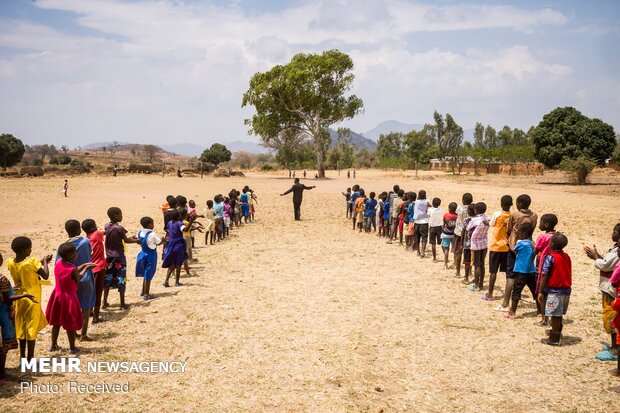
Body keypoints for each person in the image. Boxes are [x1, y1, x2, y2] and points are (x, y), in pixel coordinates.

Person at [7, 237, 52, 361]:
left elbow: (25, 268)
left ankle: (22, 356)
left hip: (19, 298)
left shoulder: (10, 262)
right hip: (33, 299)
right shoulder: (32, 262)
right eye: (30, 249)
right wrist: (44, 262)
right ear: (25, 250)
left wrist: (40, 262)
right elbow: (45, 275)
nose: (31, 251)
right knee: (31, 328)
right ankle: (30, 358)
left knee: (21, 326)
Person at [46, 243, 95, 354]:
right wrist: (86, 268)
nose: (76, 254)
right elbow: (78, 277)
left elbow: (73, 271)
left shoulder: (59, 263)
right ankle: (72, 348)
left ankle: (53, 345)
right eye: (75, 252)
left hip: (57, 296)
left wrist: (84, 265)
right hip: (69, 298)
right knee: (70, 324)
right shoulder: (72, 269)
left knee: (56, 323)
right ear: (70, 255)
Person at [496, 194, 538, 312]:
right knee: (527, 272)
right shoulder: (534, 215)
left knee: (511, 275)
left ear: (519, 204)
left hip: (514, 246)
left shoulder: (514, 214)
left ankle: (505, 303)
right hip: (528, 244)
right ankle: (538, 306)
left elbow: (509, 229)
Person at [585, 223, 620, 361]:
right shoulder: (616, 249)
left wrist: (595, 257)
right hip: (610, 290)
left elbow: (605, 265)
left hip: (611, 291)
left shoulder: (617, 252)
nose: (612, 234)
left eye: (615, 231)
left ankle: (615, 350)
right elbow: (607, 262)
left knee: (611, 319)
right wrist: (597, 256)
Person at [0, 252, 36, 385]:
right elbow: (6, 299)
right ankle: (2, 373)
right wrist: (24, 295)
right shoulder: (2, 279)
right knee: (3, 345)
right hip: (3, 315)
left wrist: (11, 289)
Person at [60, 219, 96, 341]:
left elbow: (59, 263)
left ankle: (74, 332)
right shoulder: (85, 241)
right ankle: (84, 334)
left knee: (74, 307)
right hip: (85, 276)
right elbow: (90, 254)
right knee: (85, 308)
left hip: (70, 279)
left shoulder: (63, 246)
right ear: (78, 230)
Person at [103, 207, 139, 310]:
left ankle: (104, 302)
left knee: (108, 278)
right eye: (120, 214)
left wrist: (130, 238)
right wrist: (137, 241)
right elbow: (126, 241)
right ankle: (122, 304)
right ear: (116, 216)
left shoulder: (107, 226)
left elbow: (120, 238)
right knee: (121, 279)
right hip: (119, 258)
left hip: (109, 257)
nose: (122, 216)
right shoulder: (120, 228)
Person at [539, 233, 572, 346]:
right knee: (558, 314)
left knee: (555, 315)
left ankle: (554, 338)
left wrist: (540, 290)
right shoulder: (566, 256)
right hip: (566, 290)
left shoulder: (550, 257)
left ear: (552, 244)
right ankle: (556, 331)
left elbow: (544, 275)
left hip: (555, 291)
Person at [504, 222, 537, 319]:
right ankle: (540, 311)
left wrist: (512, 238)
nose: (518, 234)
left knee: (516, 292)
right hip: (531, 271)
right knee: (535, 291)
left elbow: (514, 250)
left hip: (520, 272)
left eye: (519, 232)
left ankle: (512, 312)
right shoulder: (533, 244)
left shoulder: (520, 244)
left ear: (524, 233)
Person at [483, 195, 512, 301]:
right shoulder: (512, 215)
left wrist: (485, 222)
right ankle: (508, 294)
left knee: (493, 271)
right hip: (507, 246)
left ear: (501, 204)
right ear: (511, 204)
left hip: (496, 246)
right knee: (507, 273)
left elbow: (491, 223)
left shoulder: (497, 214)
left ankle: (490, 294)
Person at [533, 214, 558, 326]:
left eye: (541, 223)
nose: (539, 225)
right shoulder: (557, 236)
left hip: (542, 265)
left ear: (546, 225)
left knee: (541, 291)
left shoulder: (543, 237)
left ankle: (544, 318)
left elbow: (536, 249)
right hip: (554, 266)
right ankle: (550, 316)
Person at [82, 219, 107, 324]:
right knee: (98, 293)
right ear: (92, 228)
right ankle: (96, 317)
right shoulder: (96, 235)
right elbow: (107, 231)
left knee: (91, 292)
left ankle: (91, 311)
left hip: (90, 269)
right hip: (99, 267)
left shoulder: (86, 240)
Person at [136, 216, 161, 300]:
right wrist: (164, 240)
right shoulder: (152, 234)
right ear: (150, 224)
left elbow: (138, 242)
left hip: (142, 253)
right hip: (151, 255)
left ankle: (143, 290)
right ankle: (146, 294)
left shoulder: (139, 232)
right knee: (149, 273)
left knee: (145, 273)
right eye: (153, 223)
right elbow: (159, 242)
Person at [467, 202, 489, 292]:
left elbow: (468, 228)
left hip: (476, 244)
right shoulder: (487, 218)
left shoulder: (475, 220)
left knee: (477, 265)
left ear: (476, 210)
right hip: (484, 243)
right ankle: (481, 284)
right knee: (482, 264)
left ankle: (476, 285)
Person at [162, 209, 187, 287]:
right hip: (179, 245)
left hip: (171, 244)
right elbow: (184, 229)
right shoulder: (179, 223)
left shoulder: (169, 223)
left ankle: (166, 281)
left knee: (172, 264)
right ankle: (177, 282)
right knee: (178, 264)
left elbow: (168, 230)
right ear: (179, 216)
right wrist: (192, 221)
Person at [454, 193, 474, 278]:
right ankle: (469, 272)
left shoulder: (459, 208)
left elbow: (456, 211)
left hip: (459, 233)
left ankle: (458, 272)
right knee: (469, 253)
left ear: (462, 200)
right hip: (469, 234)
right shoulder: (472, 209)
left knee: (458, 253)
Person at [441, 202, 458, 269]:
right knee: (454, 250)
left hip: (446, 234)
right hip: (454, 234)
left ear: (449, 208)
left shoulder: (446, 215)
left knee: (446, 249)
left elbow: (444, 223)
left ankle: (445, 264)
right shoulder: (457, 216)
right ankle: (455, 263)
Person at [413, 190, 430, 256]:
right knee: (424, 237)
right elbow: (429, 205)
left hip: (417, 221)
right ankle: (423, 251)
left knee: (417, 237)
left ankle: (418, 251)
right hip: (424, 221)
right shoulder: (427, 201)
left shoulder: (416, 202)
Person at [428, 198, 443, 262]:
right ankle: (446, 256)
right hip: (439, 228)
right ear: (439, 204)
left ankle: (434, 258)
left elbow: (428, 215)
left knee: (433, 244)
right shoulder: (441, 210)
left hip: (432, 227)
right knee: (442, 243)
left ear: (432, 203)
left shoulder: (430, 210)